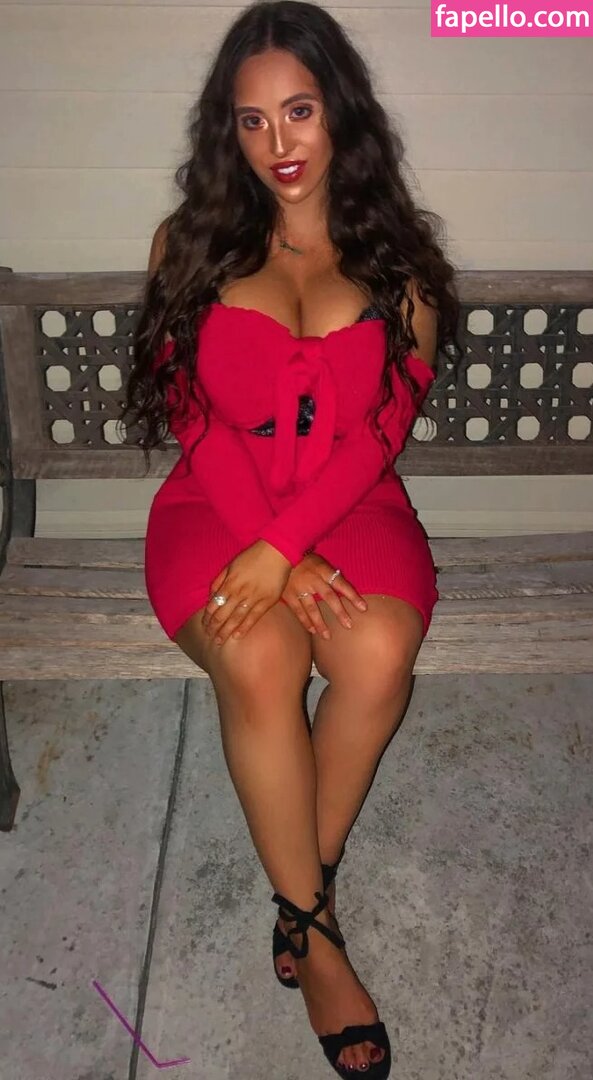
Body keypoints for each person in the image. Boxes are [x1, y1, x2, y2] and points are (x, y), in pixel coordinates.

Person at [123, 2, 462, 1075]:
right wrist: (271, 549)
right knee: (261, 654)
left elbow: (378, 439)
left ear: (339, 111)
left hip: (350, 502)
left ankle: (297, 884)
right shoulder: (188, 243)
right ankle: (315, 934)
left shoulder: (401, 263)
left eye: (299, 111)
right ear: (225, 130)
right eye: (252, 119)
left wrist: (293, 543)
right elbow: (190, 417)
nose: (278, 142)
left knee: (377, 650)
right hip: (214, 504)